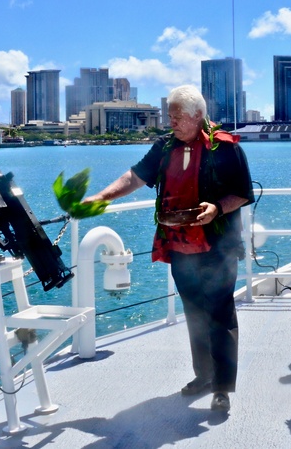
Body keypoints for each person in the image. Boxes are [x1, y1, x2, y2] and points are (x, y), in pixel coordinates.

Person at [84, 84, 254, 413]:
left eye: (177, 117)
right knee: (194, 314)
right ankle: (203, 376)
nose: (171, 122)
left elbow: (243, 193)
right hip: (180, 248)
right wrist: (101, 198)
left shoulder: (226, 148)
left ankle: (222, 388)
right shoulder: (164, 146)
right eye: (169, 116)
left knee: (220, 315)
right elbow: (134, 177)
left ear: (199, 116)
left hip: (218, 248)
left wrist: (217, 208)